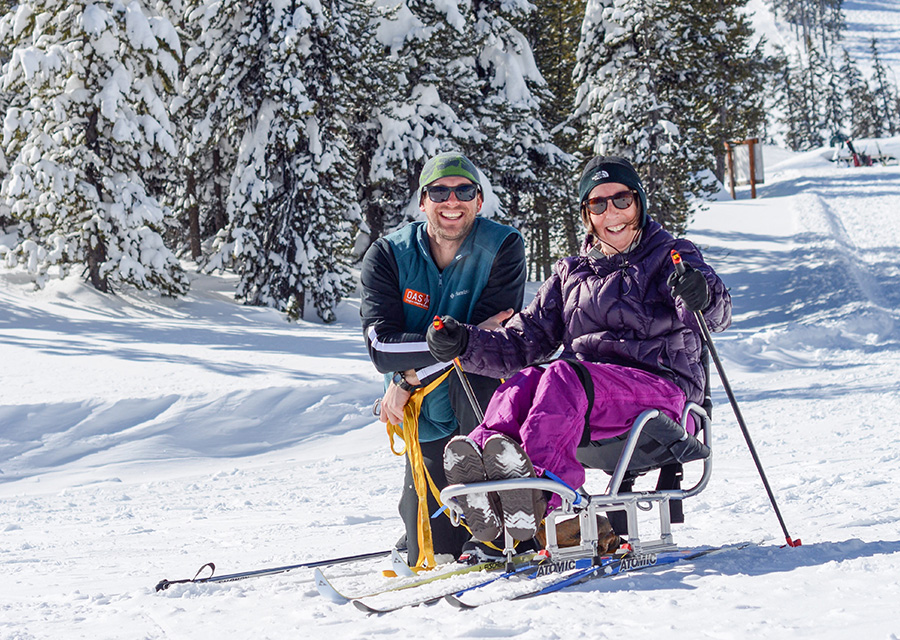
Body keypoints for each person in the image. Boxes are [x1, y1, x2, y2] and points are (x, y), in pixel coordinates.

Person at [427, 155, 732, 544]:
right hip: (590, 399)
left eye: (621, 200)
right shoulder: (572, 274)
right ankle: (490, 486)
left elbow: (715, 316)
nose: (612, 213)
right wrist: (465, 341)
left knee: (559, 374)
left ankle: (548, 500)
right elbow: (522, 342)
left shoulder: (671, 255)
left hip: (664, 398)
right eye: (598, 204)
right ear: (587, 215)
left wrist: (699, 294)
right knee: (522, 382)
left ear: (638, 202)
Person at [360, 152, 526, 565]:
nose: (452, 201)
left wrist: (407, 376)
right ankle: (432, 534)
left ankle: (509, 530)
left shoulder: (502, 246)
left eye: (464, 191)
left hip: (477, 405)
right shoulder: (387, 255)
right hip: (424, 414)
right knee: (430, 550)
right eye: (439, 191)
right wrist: (464, 337)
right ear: (422, 201)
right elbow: (382, 348)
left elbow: (497, 343)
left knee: (485, 371)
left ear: (479, 200)